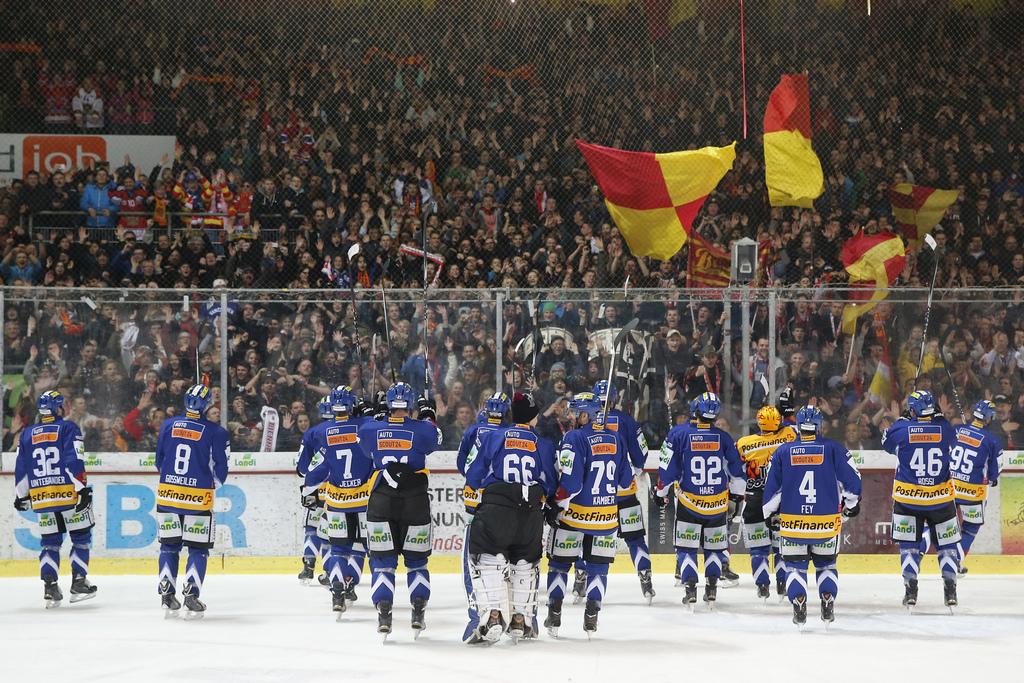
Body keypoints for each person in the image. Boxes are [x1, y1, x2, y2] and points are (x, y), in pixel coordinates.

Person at [465, 392, 557, 643]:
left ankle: (494, 614)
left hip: (498, 505)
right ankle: (520, 619)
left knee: (489, 557)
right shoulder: (544, 443)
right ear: (534, 418)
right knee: (525, 562)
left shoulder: (494, 436)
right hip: (531, 509)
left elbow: (473, 475)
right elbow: (551, 483)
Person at [762, 405, 862, 626]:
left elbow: (772, 490)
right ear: (820, 426)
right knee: (826, 566)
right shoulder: (835, 449)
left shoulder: (783, 451)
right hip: (826, 524)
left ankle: (799, 602)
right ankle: (827, 600)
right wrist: (851, 505)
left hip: (792, 524)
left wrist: (769, 514)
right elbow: (853, 483)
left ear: (798, 426)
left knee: (795, 568)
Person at [544, 392, 632, 637]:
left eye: (573, 412)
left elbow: (571, 484)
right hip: (605, 518)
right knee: (598, 569)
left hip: (574, 517)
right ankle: (592, 614)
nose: (569, 415)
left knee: (560, 565)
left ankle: (555, 613)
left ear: (586, 415)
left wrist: (556, 503)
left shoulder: (575, 437)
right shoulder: (616, 438)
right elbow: (625, 481)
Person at [357, 382, 440, 637]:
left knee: (382, 562)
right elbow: (435, 439)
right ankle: (418, 609)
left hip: (382, 500)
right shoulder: (423, 430)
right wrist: (428, 415)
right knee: (417, 562)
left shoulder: (371, 428)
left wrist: (376, 415)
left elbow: (365, 443)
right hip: (415, 500)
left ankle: (384, 611)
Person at [656, 392, 745, 610]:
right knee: (714, 550)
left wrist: (660, 493)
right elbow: (738, 474)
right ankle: (712, 588)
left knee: (687, 549)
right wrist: (735, 496)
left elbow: (667, 470)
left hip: (689, 504)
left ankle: (690, 588)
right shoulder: (723, 437)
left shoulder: (678, 434)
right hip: (716, 506)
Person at [13, 391, 97, 607]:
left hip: (42, 498)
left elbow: (21, 468)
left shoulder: (27, 433)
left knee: (50, 543)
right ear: (59, 408)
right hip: (69, 494)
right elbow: (73, 460)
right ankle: (79, 582)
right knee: (81, 537)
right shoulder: (68, 428)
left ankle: (50, 586)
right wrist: (82, 489)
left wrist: (21, 495)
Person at [154, 384, 230, 618]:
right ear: (207, 405)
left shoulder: (168, 425)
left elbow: (159, 460)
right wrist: (207, 487)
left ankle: (167, 591)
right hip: (197, 500)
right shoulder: (217, 432)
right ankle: (191, 594)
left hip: (167, 495)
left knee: (169, 547)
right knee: (198, 549)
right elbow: (222, 468)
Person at [881, 390, 961, 609]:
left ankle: (911, 590)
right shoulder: (945, 428)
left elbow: (886, 442)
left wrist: (903, 418)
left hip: (908, 500)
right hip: (941, 500)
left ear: (913, 409)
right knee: (947, 546)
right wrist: (937, 416)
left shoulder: (901, 429)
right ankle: (950, 589)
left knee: (909, 547)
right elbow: (947, 432)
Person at [302, 386, 374, 614]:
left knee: (337, 550)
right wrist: (369, 412)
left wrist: (308, 490)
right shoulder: (366, 426)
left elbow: (314, 469)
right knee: (361, 547)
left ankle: (337, 589)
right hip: (363, 502)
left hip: (336, 503)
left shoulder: (324, 432)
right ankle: (351, 582)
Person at [589, 379, 655, 603]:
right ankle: (645, 575)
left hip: (595, 498)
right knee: (635, 538)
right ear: (614, 399)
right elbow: (641, 455)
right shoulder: (627, 421)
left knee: (588, 539)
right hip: (625, 492)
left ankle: (581, 576)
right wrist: (633, 472)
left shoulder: (587, 421)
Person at [456, 391, 511, 643]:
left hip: (477, 506)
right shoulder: (512, 434)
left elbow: (463, 466)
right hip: (507, 506)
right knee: (511, 563)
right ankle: (521, 617)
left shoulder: (474, 431)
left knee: (473, 564)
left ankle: (478, 617)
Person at [736, 405, 796, 600]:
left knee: (758, 549)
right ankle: (782, 583)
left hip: (754, 501)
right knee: (781, 548)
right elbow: (793, 427)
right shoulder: (789, 436)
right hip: (781, 501)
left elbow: (735, 471)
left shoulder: (744, 444)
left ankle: (762, 585)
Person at [950, 399, 1002, 574]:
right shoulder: (992, 441)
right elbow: (994, 476)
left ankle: (915, 557)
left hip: (950, 488)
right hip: (973, 493)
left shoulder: (956, 430)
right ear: (989, 418)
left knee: (941, 524)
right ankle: (956, 561)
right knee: (970, 528)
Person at [295, 396, 333, 585]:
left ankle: (308, 566)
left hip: (315, 488)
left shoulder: (311, 433)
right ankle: (329, 570)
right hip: (338, 489)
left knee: (312, 526)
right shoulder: (349, 430)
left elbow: (302, 468)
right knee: (333, 531)